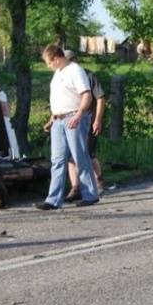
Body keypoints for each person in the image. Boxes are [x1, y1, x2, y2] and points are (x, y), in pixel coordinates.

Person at [33, 44, 100, 210]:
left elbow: (87, 95)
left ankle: (90, 194)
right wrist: (53, 118)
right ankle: (53, 199)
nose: (48, 66)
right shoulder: (58, 73)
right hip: (58, 121)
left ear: (56, 59)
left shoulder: (75, 70)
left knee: (79, 156)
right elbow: (60, 99)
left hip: (73, 118)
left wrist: (79, 115)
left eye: (49, 63)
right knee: (57, 160)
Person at [63, 49, 106, 201]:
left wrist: (97, 120)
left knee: (87, 154)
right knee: (70, 157)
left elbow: (100, 98)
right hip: (71, 121)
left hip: (87, 120)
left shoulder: (89, 76)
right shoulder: (65, 77)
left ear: (75, 60)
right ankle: (76, 188)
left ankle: (99, 180)